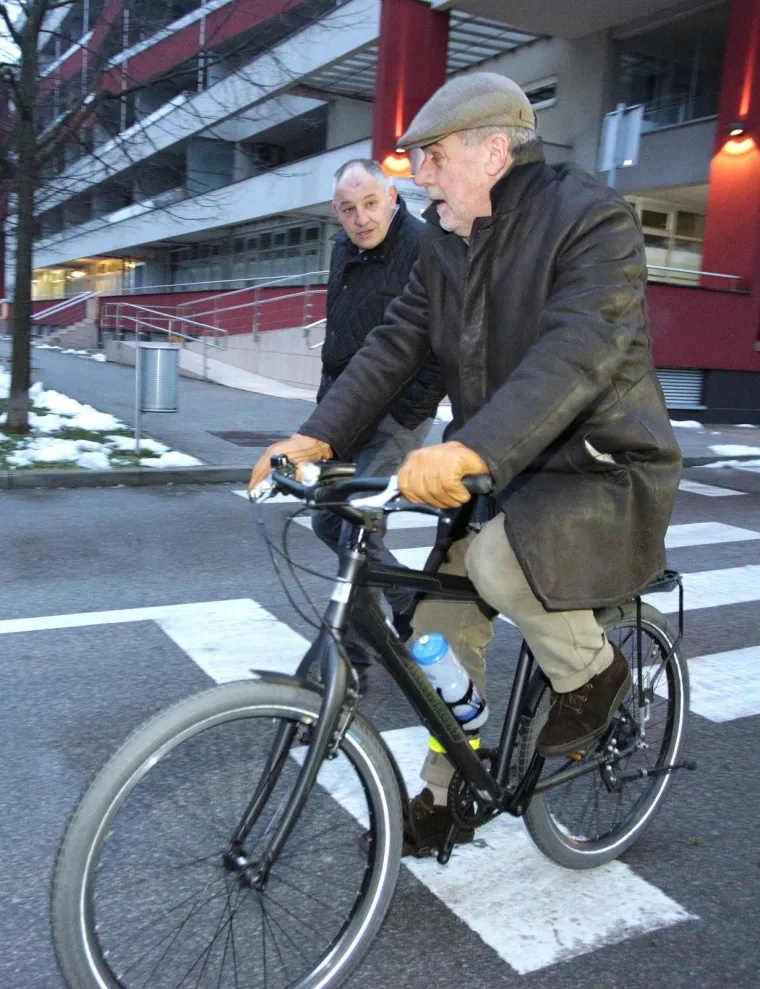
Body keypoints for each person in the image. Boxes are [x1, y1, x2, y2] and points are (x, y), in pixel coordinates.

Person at [249, 72, 682, 855]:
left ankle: (594, 675)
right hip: (502, 472)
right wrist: (316, 435)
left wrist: (475, 446)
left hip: (598, 466)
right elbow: (392, 346)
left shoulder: (591, 220)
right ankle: (449, 794)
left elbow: (576, 353)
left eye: (430, 155)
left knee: (497, 562)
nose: (416, 174)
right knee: (438, 633)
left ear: (491, 152)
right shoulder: (446, 244)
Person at [312, 158, 445, 678]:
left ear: (392, 196)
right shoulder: (343, 250)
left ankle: (355, 655)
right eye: (349, 210)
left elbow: (441, 344)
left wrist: (413, 410)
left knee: (354, 533)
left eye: (370, 204)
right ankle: (408, 600)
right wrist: (322, 421)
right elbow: (340, 339)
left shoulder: (424, 247)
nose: (361, 219)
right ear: (336, 212)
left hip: (396, 414)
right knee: (328, 519)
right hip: (343, 411)